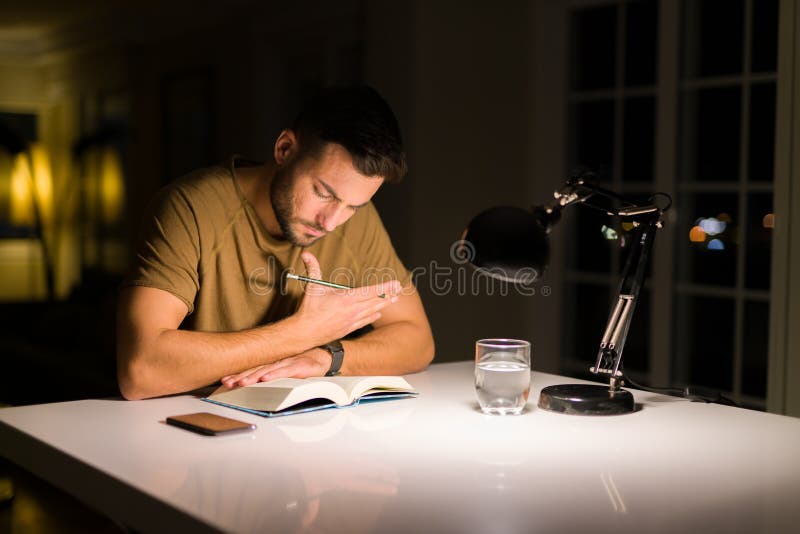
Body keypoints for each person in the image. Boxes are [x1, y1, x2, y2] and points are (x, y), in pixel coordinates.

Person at [116, 86, 434, 400]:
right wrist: (302, 332)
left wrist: (329, 357)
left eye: (354, 206)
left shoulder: (354, 221)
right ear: (284, 149)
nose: (331, 222)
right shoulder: (190, 207)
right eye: (323, 193)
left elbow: (418, 340)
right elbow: (140, 370)